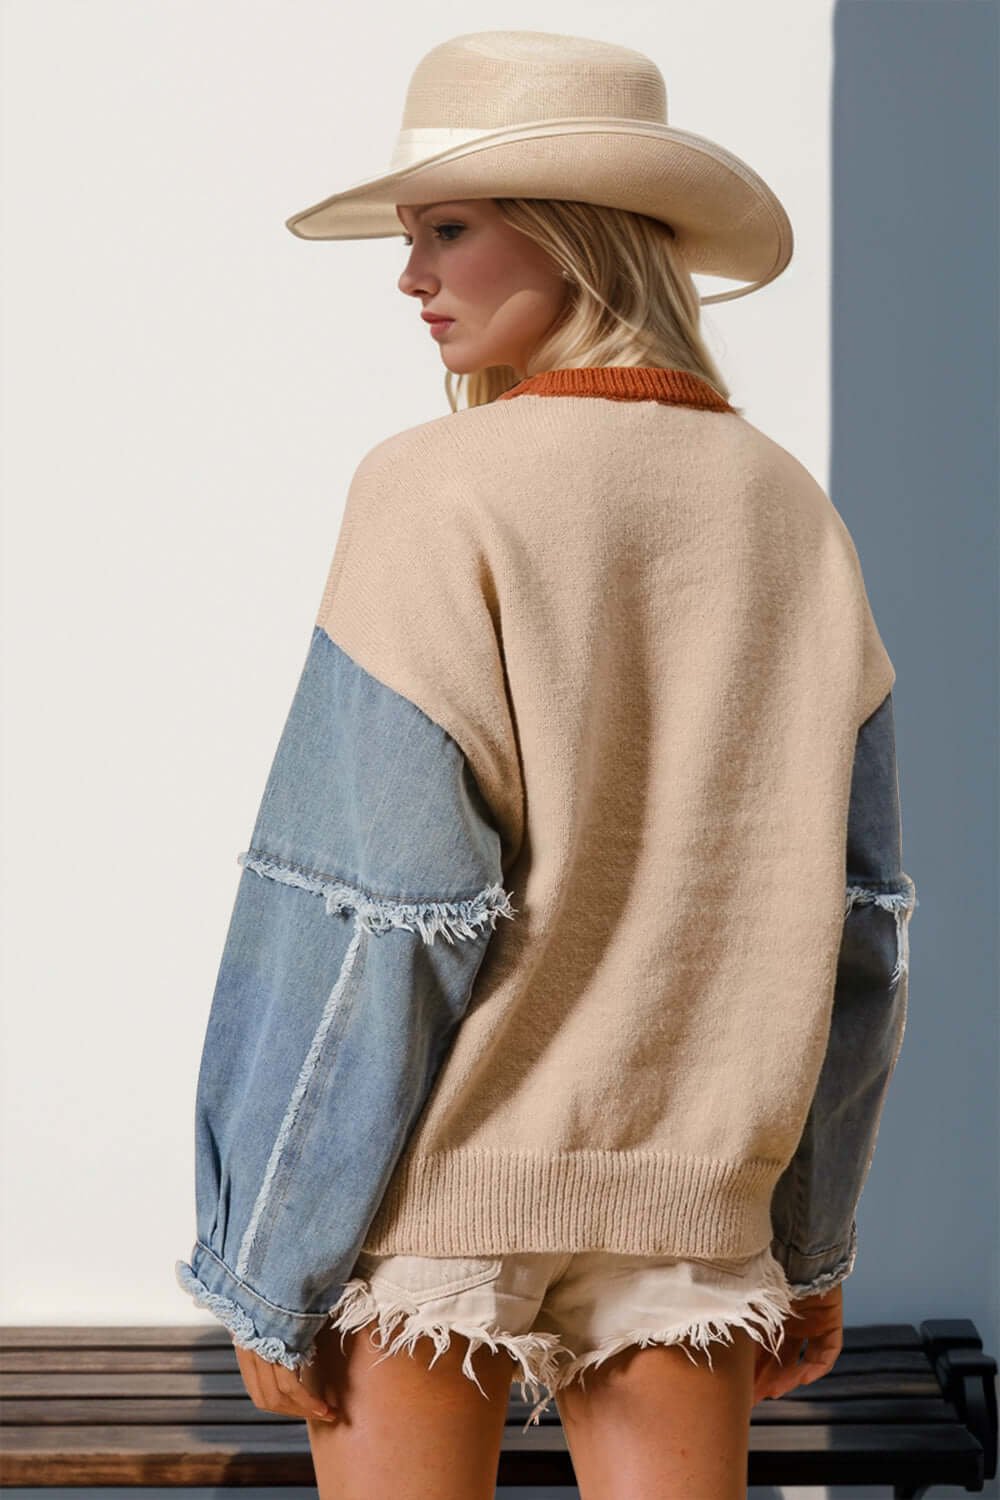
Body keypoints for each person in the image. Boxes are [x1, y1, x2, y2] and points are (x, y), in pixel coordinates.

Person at [175, 30, 917, 1500]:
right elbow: (860, 920)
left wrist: (269, 1249)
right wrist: (813, 1238)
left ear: (578, 229)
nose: (411, 279)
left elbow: (372, 910)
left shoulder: (434, 487)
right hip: (691, 1197)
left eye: (445, 228)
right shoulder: (787, 508)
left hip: (432, 1198)